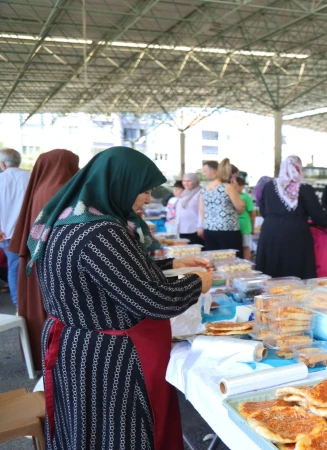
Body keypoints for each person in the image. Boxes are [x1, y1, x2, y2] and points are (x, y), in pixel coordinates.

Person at [30, 146, 213, 450]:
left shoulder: (71, 220)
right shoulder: (100, 231)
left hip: (80, 347)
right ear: (119, 184)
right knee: (120, 433)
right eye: (144, 190)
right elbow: (154, 301)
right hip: (108, 358)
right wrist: (197, 283)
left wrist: (171, 266)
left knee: (87, 431)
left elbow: (113, 275)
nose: (146, 199)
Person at [7, 149, 79, 371]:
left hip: (36, 260)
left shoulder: (40, 189)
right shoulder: (62, 191)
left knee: (38, 308)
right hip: (55, 264)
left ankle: (44, 356)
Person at [256, 156, 327, 278]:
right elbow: (318, 215)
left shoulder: (269, 187)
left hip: (270, 233)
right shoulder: (304, 188)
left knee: (271, 269)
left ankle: (270, 296)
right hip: (295, 234)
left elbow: (263, 211)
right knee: (296, 271)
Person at [0, 148, 31, 308]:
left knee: (14, 270)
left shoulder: (1, 179)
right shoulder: (31, 176)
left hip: (7, 234)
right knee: (33, 270)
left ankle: (19, 306)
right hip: (32, 233)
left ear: (3, 164)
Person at [200, 159, 245, 256]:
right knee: (231, 261)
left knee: (213, 259)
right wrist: (236, 191)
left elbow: (202, 210)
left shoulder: (204, 188)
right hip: (228, 229)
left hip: (209, 229)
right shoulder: (227, 187)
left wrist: (209, 223)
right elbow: (240, 206)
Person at [176, 173, 204, 245]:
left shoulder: (201, 192)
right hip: (182, 228)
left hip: (195, 229)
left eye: (189, 181)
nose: (186, 183)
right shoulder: (184, 193)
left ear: (195, 181)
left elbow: (202, 210)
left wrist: (200, 226)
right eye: (184, 181)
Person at [235, 176, 256, 260]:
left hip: (244, 225)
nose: (236, 187)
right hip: (234, 226)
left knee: (245, 246)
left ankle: (247, 263)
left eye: (239, 185)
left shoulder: (246, 197)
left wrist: (252, 228)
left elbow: (252, 213)